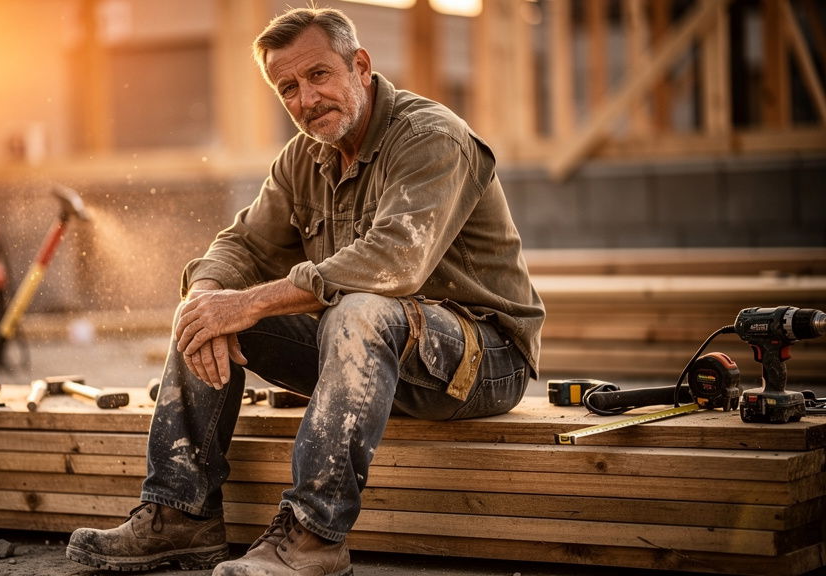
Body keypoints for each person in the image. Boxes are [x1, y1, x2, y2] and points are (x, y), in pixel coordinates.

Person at [66, 6, 544, 576]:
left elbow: (395, 263)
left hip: (480, 360)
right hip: (375, 352)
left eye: (318, 75)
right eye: (287, 87)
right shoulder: (303, 158)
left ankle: (314, 535)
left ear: (359, 66)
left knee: (359, 310)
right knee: (202, 310)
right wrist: (210, 295)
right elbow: (240, 244)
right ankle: (181, 515)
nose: (306, 99)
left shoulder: (430, 139)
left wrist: (249, 302)